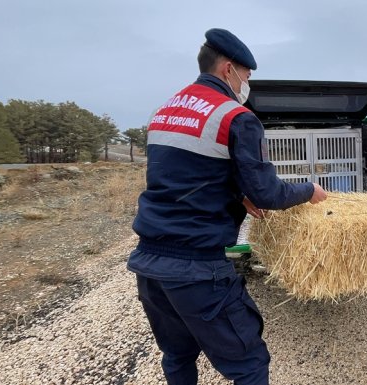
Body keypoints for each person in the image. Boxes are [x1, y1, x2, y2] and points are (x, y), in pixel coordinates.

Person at [127, 28, 327, 385]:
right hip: (197, 266)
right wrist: (308, 190)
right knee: (249, 363)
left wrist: (236, 194)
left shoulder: (165, 111)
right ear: (229, 69)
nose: (245, 85)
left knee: (177, 355)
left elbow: (187, 175)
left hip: (150, 262)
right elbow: (268, 193)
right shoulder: (235, 117)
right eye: (246, 77)